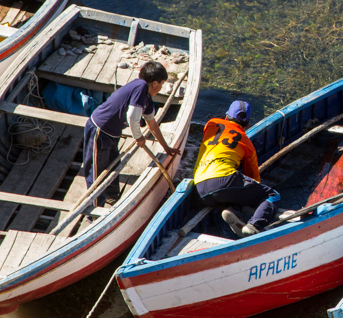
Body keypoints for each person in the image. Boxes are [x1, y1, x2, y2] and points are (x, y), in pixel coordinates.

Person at [82, 60, 180, 205]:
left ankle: (112, 197)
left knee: (113, 166)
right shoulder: (140, 86)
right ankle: (93, 209)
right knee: (97, 171)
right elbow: (132, 115)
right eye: (162, 84)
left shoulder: (147, 98)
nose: (161, 88)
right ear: (154, 83)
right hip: (100, 129)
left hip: (112, 133)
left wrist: (166, 148)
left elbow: (152, 123)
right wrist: (139, 137)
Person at [192, 100, 279, 238]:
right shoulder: (247, 143)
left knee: (229, 190)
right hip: (223, 181)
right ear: (248, 124)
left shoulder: (211, 124)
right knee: (272, 196)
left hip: (200, 188)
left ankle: (230, 210)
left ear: (226, 117)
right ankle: (254, 226)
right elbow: (254, 179)